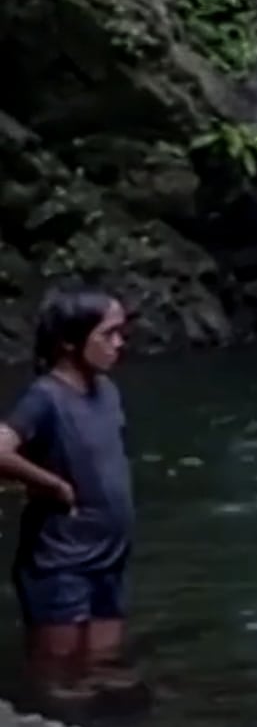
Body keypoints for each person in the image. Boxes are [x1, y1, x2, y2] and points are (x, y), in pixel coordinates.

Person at [2, 287, 137, 701]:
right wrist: (52, 484)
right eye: (109, 334)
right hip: (61, 560)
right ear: (70, 342)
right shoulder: (46, 397)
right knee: (57, 678)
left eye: (122, 333)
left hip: (108, 554)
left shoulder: (107, 391)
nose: (120, 343)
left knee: (102, 669)